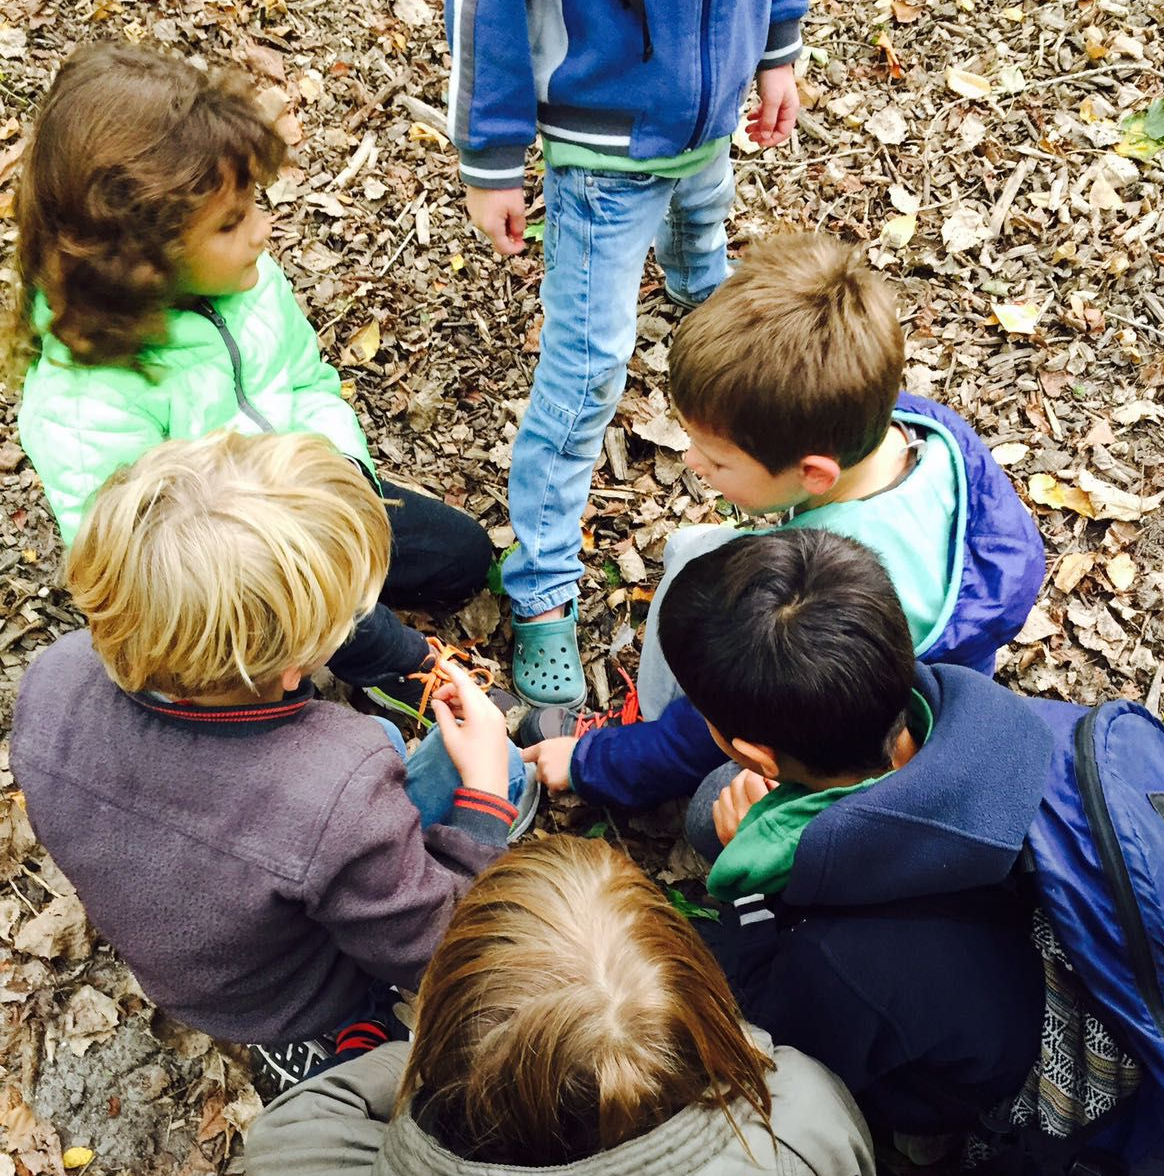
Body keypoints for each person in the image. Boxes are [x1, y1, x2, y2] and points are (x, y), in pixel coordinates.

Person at [10, 433, 537, 1090]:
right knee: (498, 769)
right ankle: (339, 1032)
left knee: (372, 734)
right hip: (292, 992)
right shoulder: (333, 786)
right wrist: (485, 796)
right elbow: (435, 943)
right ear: (294, 667)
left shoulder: (53, 675)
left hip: (190, 962)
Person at [13, 42, 490, 715]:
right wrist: (312, 578)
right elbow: (142, 566)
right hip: (234, 582)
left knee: (461, 557)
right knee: (364, 637)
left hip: (306, 501)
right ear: (141, 254)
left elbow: (305, 380)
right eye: (233, 223)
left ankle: (343, 628)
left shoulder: (245, 281)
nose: (264, 233)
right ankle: (381, 674)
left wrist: (344, 477)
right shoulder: (87, 397)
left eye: (255, 204)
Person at [661, 531, 1161, 1169]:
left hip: (1006, 1079)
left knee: (719, 958)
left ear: (757, 755)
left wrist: (756, 894)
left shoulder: (838, 958)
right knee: (713, 804)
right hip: (1038, 942)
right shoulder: (984, 714)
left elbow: (789, 1039)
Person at [520, 232, 1045, 805]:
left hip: (836, 732)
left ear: (815, 473)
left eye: (717, 459)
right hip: (934, 674)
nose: (690, 461)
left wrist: (592, 764)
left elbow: (716, 725)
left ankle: (636, 723)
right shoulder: (922, 429)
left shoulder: (821, 603)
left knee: (701, 565)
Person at [446, 0, 809, 708]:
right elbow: (487, 1)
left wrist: (776, 46)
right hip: (602, 153)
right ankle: (541, 582)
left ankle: (697, 284)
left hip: (707, 117)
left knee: (703, 214)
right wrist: (491, 156)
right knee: (587, 374)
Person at [244, 834, 876, 1176]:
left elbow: (311, 1111)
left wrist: (402, 1059)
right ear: (702, 998)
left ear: (441, 1029)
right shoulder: (799, 1122)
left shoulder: (299, 1154)